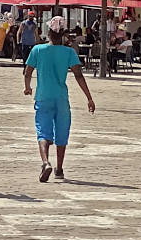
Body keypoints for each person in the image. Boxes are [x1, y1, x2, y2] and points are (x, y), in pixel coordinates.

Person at [23, 16, 95, 181]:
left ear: (48, 34)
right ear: (63, 35)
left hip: (43, 96)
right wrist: (89, 98)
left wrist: (27, 87)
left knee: (43, 132)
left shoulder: (37, 50)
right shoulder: (69, 52)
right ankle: (60, 168)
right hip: (61, 98)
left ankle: (45, 162)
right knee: (62, 132)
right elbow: (79, 75)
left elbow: (27, 72)